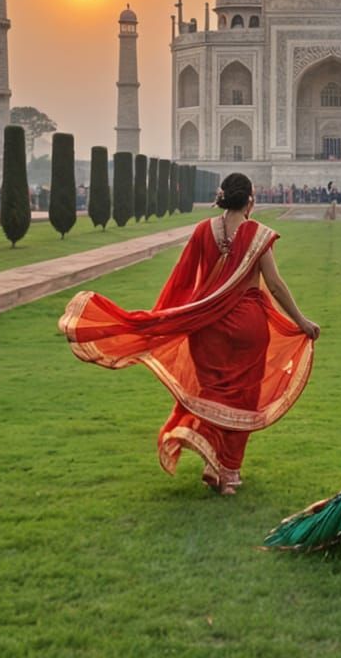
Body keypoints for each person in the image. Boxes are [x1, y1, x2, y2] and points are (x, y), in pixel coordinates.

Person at [59, 172, 319, 496]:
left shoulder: (202, 231)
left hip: (206, 329)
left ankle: (213, 463)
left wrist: (171, 319)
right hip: (248, 329)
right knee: (241, 397)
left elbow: (182, 283)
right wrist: (302, 321)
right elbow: (276, 286)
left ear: (223, 196)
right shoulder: (259, 235)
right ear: (250, 200)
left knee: (212, 393)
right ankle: (228, 470)